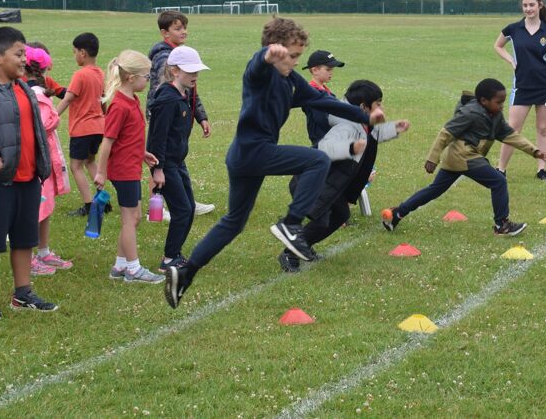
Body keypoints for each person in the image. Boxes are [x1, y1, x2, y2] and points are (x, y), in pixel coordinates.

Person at [164, 17, 383, 309]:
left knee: (233, 223)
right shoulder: (260, 73)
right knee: (317, 159)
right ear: (275, 49)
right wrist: (269, 56)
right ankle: (291, 224)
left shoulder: (291, 79)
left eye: (297, 57)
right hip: (253, 151)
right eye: (291, 56)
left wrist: (365, 117)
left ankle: (186, 271)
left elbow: (323, 102)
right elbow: (258, 63)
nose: (293, 62)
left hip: (246, 157)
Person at [382, 78, 546, 236]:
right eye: (498, 102)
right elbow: (445, 133)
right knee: (498, 181)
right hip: (465, 156)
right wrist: (432, 158)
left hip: (460, 158)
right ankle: (502, 224)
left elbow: (509, 135)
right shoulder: (470, 113)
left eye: (503, 102)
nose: (502, 106)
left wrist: (534, 151)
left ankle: (397, 213)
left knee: (434, 190)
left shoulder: (495, 114)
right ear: (484, 101)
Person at [279, 80, 409, 273]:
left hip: (331, 183)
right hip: (314, 181)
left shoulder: (363, 122)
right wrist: (349, 148)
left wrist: (394, 129)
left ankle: (304, 244)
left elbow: (374, 134)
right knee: (321, 221)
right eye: (378, 103)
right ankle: (289, 253)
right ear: (363, 107)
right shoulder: (346, 127)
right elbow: (326, 148)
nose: (381, 107)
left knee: (341, 214)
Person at [0, 27, 57, 320]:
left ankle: (23, 294)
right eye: (18, 54)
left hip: (28, 179)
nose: (24, 60)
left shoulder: (22, 89)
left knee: (24, 239)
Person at [94, 50, 163, 284]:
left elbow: (127, 137)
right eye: (146, 76)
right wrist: (101, 172)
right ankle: (133, 269)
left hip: (132, 166)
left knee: (134, 218)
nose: (149, 81)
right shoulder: (119, 106)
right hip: (123, 171)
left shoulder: (133, 99)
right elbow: (107, 141)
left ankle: (120, 265)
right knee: (129, 219)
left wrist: (141, 153)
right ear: (131, 78)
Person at [147, 46, 209, 272]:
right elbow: (157, 138)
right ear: (174, 71)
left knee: (188, 208)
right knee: (182, 210)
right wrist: (158, 169)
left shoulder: (184, 94)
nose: (195, 76)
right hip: (167, 164)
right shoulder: (167, 99)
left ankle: (175, 254)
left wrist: (202, 118)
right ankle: (169, 258)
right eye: (190, 72)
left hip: (177, 161)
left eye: (197, 72)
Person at [147, 10, 215, 217]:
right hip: (167, 114)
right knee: (159, 156)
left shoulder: (184, 55)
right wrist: (170, 111)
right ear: (164, 33)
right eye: (177, 28)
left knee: (176, 157)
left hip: (181, 112)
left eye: (184, 27)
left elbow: (190, 90)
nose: (183, 31)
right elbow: (164, 91)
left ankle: (184, 199)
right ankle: (156, 207)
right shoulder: (165, 57)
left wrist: (200, 116)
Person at [494, 0, 546, 182]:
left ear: (540, 5)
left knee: (543, 129)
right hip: (522, 86)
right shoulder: (513, 29)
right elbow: (497, 46)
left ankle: (542, 169)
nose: (528, 9)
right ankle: (500, 169)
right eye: (525, 5)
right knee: (512, 130)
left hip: (544, 87)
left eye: (532, 5)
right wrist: (511, 60)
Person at [24, 45, 73, 276]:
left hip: (45, 158)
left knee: (47, 206)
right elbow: (40, 127)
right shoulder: (34, 94)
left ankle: (43, 251)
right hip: (36, 161)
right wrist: (54, 119)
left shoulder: (38, 92)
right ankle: (29, 257)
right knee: (36, 208)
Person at [56, 32, 106, 217]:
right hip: (99, 127)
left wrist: (52, 117)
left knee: (75, 166)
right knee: (90, 161)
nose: (74, 55)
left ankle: (89, 204)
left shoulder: (80, 74)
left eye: (75, 51)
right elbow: (104, 101)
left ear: (82, 53)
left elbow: (68, 99)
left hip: (82, 129)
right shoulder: (100, 73)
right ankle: (103, 199)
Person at [301, 49, 346, 146]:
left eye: (332, 69)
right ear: (315, 70)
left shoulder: (326, 92)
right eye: (328, 69)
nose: (331, 72)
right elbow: (322, 120)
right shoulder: (312, 94)